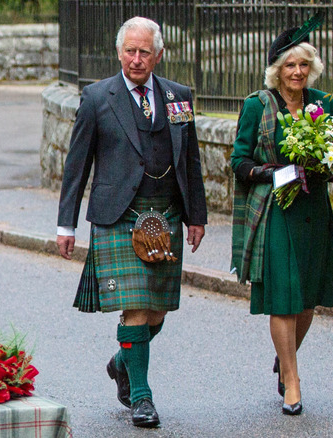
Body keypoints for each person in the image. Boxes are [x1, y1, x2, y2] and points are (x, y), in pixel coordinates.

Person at [56, 16, 207, 428]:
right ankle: (142, 398)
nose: (136, 60)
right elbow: (76, 165)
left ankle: (124, 359)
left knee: (157, 310)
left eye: (144, 52)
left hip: (167, 213)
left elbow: (190, 161)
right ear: (119, 52)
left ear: (158, 55)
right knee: (136, 307)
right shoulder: (96, 97)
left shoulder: (178, 96)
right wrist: (65, 224)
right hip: (118, 213)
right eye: (129, 51)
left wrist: (197, 215)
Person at [230, 14, 333, 416]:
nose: (297, 72)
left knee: (307, 301)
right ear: (277, 70)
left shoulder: (323, 103)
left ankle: (285, 358)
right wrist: (274, 173)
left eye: (304, 65)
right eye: (290, 65)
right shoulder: (257, 106)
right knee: (284, 299)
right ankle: (292, 382)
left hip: (313, 211)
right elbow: (238, 161)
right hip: (277, 211)